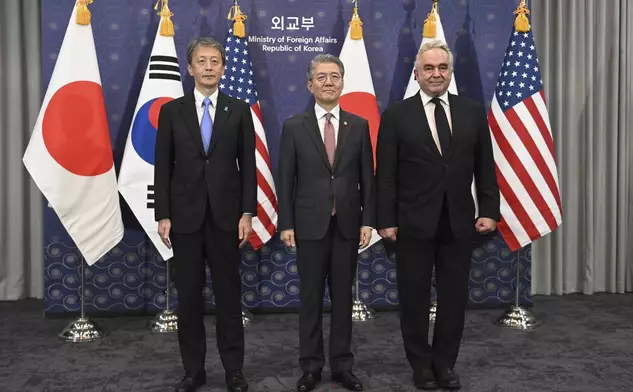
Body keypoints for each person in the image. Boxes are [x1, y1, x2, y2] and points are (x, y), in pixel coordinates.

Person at [375, 40, 500, 390]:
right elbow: (385, 175)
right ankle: (420, 365)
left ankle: (445, 364)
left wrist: (489, 210)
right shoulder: (396, 116)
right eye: (428, 68)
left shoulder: (473, 112)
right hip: (412, 223)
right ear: (417, 74)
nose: (436, 74)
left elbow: (485, 167)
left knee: (453, 299)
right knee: (413, 299)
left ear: (450, 72)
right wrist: (386, 219)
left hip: (459, 222)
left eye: (442, 68)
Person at [154, 37, 256, 392]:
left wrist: (247, 211)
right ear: (190, 68)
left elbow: (249, 166)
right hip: (184, 218)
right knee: (190, 298)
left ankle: (234, 371)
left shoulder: (239, 110)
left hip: (228, 218)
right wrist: (163, 213)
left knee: (229, 298)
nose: (209, 66)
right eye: (202, 61)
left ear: (223, 68)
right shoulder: (171, 111)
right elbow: (162, 166)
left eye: (215, 61)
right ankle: (193, 371)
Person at [277, 53, 375, 392]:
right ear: (310, 84)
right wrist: (286, 223)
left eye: (334, 76)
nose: (329, 82)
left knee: (344, 300)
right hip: (308, 225)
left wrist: (368, 221)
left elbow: (368, 179)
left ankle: (343, 367)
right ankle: (311, 367)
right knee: (310, 298)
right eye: (321, 77)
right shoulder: (293, 126)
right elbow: (285, 178)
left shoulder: (359, 125)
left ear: (343, 83)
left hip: (348, 224)